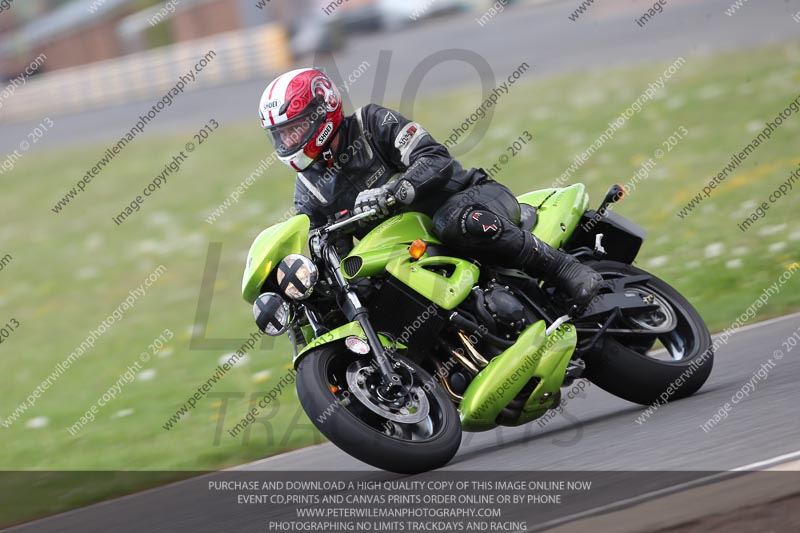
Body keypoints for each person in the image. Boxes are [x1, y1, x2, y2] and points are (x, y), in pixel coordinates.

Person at [258, 68, 601, 308]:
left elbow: (435, 157)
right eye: (281, 134)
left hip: (470, 199)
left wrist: (396, 190)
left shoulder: (372, 123)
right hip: (411, 249)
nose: (288, 140)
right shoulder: (308, 190)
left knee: (452, 223)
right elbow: (331, 248)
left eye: (294, 128)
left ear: (323, 109)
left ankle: (564, 268)